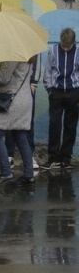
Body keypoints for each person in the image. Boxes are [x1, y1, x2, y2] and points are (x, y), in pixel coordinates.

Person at [0, 61, 36, 186]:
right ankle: (29, 175)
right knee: (20, 136)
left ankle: (6, 173)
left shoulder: (12, 56)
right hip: (25, 99)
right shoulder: (27, 56)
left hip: (13, 101)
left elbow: (3, 79)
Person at [42, 27, 79, 170]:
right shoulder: (53, 51)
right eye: (63, 45)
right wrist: (49, 89)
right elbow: (48, 71)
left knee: (70, 126)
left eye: (68, 46)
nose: (65, 48)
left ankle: (66, 159)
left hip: (74, 92)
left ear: (73, 43)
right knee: (54, 125)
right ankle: (53, 158)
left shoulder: (78, 52)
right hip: (56, 92)